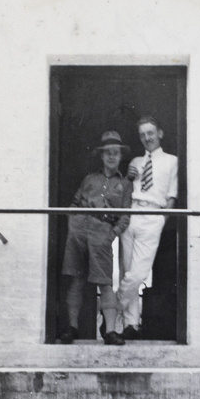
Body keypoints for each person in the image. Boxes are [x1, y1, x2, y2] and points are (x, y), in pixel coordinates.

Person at [61, 131, 133, 345]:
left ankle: (110, 331)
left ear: (120, 157)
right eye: (107, 153)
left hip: (102, 233)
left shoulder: (125, 185)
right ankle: (72, 328)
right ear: (101, 156)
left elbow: (126, 217)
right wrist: (73, 223)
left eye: (116, 153)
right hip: (79, 231)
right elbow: (74, 204)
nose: (111, 157)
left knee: (105, 283)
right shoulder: (89, 179)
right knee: (76, 280)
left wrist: (112, 234)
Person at [117, 116, 178, 339]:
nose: (146, 138)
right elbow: (124, 189)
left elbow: (172, 195)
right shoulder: (135, 161)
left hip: (153, 214)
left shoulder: (173, 161)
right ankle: (130, 324)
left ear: (160, 133)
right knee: (127, 268)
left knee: (138, 273)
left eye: (150, 133)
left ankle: (112, 308)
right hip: (131, 213)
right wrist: (127, 177)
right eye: (142, 135)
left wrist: (162, 219)